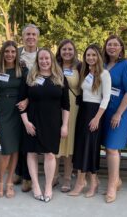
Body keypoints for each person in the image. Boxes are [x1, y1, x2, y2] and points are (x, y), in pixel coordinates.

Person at [19, 48, 70, 202]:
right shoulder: (30, 77)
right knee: (32, 153)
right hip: (32, 122)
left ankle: (48, 187)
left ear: (51, 59)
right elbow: (22, 102)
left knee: (49, 154)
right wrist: (26, 122)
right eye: (41, 59)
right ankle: (35, 185)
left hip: (53, 123)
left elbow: (66, 105)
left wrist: (65, 125)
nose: (44, 61)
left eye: (47, 58)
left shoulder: (60, 77)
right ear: (37, 60)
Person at [69, 44, 111, 198]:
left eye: (94, 55)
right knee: (81, 146)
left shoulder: (104, 74)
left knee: (90, 148)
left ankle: (90, 182)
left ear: (98, 57)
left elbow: (106, 98)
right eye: (88, 55)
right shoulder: (84, 72)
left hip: (95, 113)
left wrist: (97, 118)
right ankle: (85, 181)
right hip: (83, 112)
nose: (91, 58)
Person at [0, 41, 28, 198]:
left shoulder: (22, 70)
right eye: (7, 51)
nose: (10, 54)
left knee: (15, 150)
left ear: (16, 53)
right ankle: (0, 181)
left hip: (19, 111)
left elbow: (29, 90)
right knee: (6, 150)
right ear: (2, 53)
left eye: (13, 51)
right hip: (3, 111)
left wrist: (27, 101)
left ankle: (10, 182)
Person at [101, 35, 127, 203]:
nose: (112, 47)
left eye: (116, 45)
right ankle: (117, 180)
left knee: (112, 148)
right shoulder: (103, 65)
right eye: (109, 44)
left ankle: (111, 185)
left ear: (121, 48)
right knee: (109, 147)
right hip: (104, 109)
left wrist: (118, 113)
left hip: (120, 110)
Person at [14, 23, 40, 192]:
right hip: (16, 101)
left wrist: (29, 100)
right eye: (27, 34)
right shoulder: (15, 54)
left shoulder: (43, 56)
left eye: (33, 34)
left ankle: (27, 177)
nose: (30, 37)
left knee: (30, 139)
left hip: (36, 103)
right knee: (18, 137)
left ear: (38, 37)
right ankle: (18, 170)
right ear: (22, 37)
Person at [53, 39, 80, 192]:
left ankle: (68, 178)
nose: (67, 52)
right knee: (55, 143)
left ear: (74, 51)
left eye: (70, 49)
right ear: (60, 51)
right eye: (64, 49)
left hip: (73, 109)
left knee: (69, 143)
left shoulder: (80, 67)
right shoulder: (54, 66)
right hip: (55, 108)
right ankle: (54, 177)